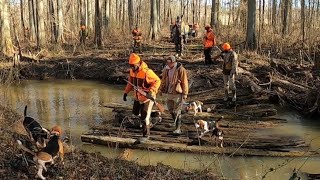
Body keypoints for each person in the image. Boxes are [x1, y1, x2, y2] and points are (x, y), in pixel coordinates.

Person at [123, 53, 161, 138]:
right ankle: (154, 116)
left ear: (138, 63)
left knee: (144, 117)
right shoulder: (132, 71)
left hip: (147, 97)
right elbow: (130, 83)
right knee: (135, 113)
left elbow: (157, 81)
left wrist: (151, 91)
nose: (131, 67)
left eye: (133, 65)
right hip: (137, 97)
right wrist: (126, 92)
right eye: (130, 65)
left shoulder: (147, 72)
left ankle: (146, 135)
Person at [159, 55, 188, 134]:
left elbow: (184, 82)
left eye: (169, 63)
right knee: (170, 110)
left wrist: (185, 93)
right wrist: (161, 89)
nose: (168, 64)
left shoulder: (181, 70)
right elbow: (163, 80)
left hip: (177, 92)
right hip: (169, 92)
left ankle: (178, 128)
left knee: (177, 111)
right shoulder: (166, 69)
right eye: (167, 62)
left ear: (174, 62)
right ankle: (174, 123)